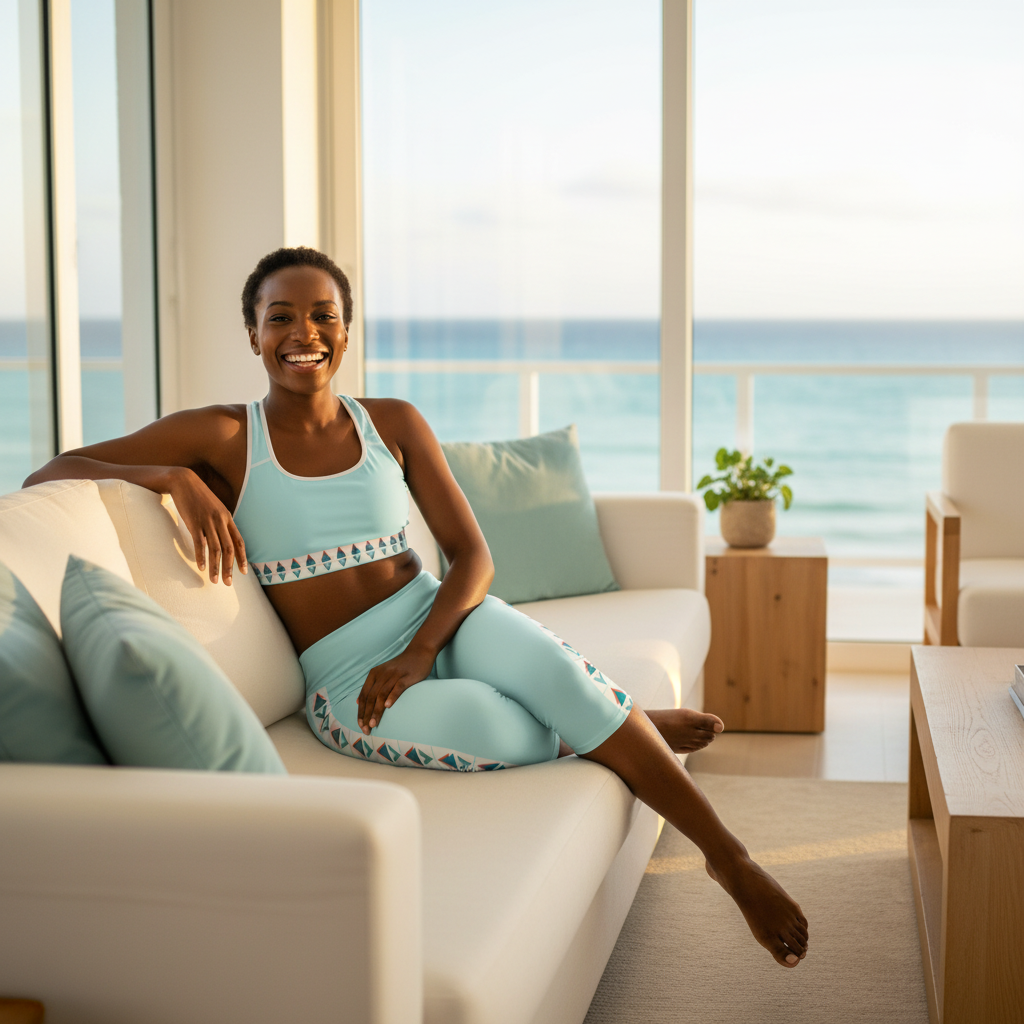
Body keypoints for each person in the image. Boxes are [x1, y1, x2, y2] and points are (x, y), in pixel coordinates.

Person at [26, 246, 808, 968]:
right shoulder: (225, 436)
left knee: (559, 681)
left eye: (324, 314)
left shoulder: (391, 422)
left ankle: (729, 860)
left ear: (346, 328)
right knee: (491, 726)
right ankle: (615, 723)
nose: (305, 332)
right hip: (344, 675)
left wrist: (421, 650)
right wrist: (173, 478)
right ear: (254, 335)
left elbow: (475, 559)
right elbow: (52, 471)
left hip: (439, 618)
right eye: (281, 317)